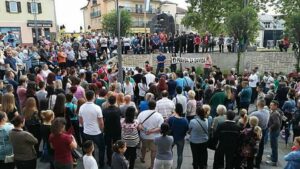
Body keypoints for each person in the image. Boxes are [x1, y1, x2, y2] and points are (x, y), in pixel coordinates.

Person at [79, 90, 105, 168]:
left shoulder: (82, 107)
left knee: (90, 148)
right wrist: (101, 130)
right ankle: (101, 164)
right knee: (101, 148)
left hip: (86, 132)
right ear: (93, 97)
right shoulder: (97, 108)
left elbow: (80, 120)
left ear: (86, 97)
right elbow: (101, 122)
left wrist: (86, 126)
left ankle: (91, 162)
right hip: (97, 132)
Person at [137, 100, 164, 169]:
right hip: (155, 137)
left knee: (143, 147)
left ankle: (142, 158)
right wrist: (151, 131)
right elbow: (160, 127)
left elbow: (138, 124)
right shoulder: (159, 115)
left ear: (148, 106)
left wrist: (145, 130)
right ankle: (152, 165)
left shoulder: (142, 113)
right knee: (154, 151)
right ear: (155, 106)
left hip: (144, 135)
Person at [250, 99, 270, 168]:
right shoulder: (267, 111)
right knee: (261, 146)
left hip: (255, 131)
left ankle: (252, 161)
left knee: (253, 146)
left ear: (258, 104)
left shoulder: (255, 113)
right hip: (264, 130)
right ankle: (258, 161)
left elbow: (249, 121)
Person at [168, 104, 189, 169]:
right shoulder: (185, 120)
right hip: (181, 139)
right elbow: (187, 129)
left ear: (175, 110)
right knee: (180, 154)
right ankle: (178, 167)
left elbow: (168, 128)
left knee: (169, 153)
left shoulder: (171, 119)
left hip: (172, 138)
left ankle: (170, 166)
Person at [102, 95, 121, 166]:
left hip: (108, 129)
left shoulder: (105, 110)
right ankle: (116, 160)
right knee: (116, 145)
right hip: (117, 130)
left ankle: (109, 161)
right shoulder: (118, 109)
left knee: (108, 146)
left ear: (108, 102)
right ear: (115, 101)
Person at [266, 100, 282, 166]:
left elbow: (277, 123)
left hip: (274, 131)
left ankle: (274, 161)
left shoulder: (275, 114)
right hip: (276, 131)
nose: (270, 106)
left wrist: (270, 128)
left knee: (274, 146)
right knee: (273, 145)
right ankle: (272, 156)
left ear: (276, 106)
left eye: (272, 105)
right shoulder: (276, 111)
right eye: (270, 104)